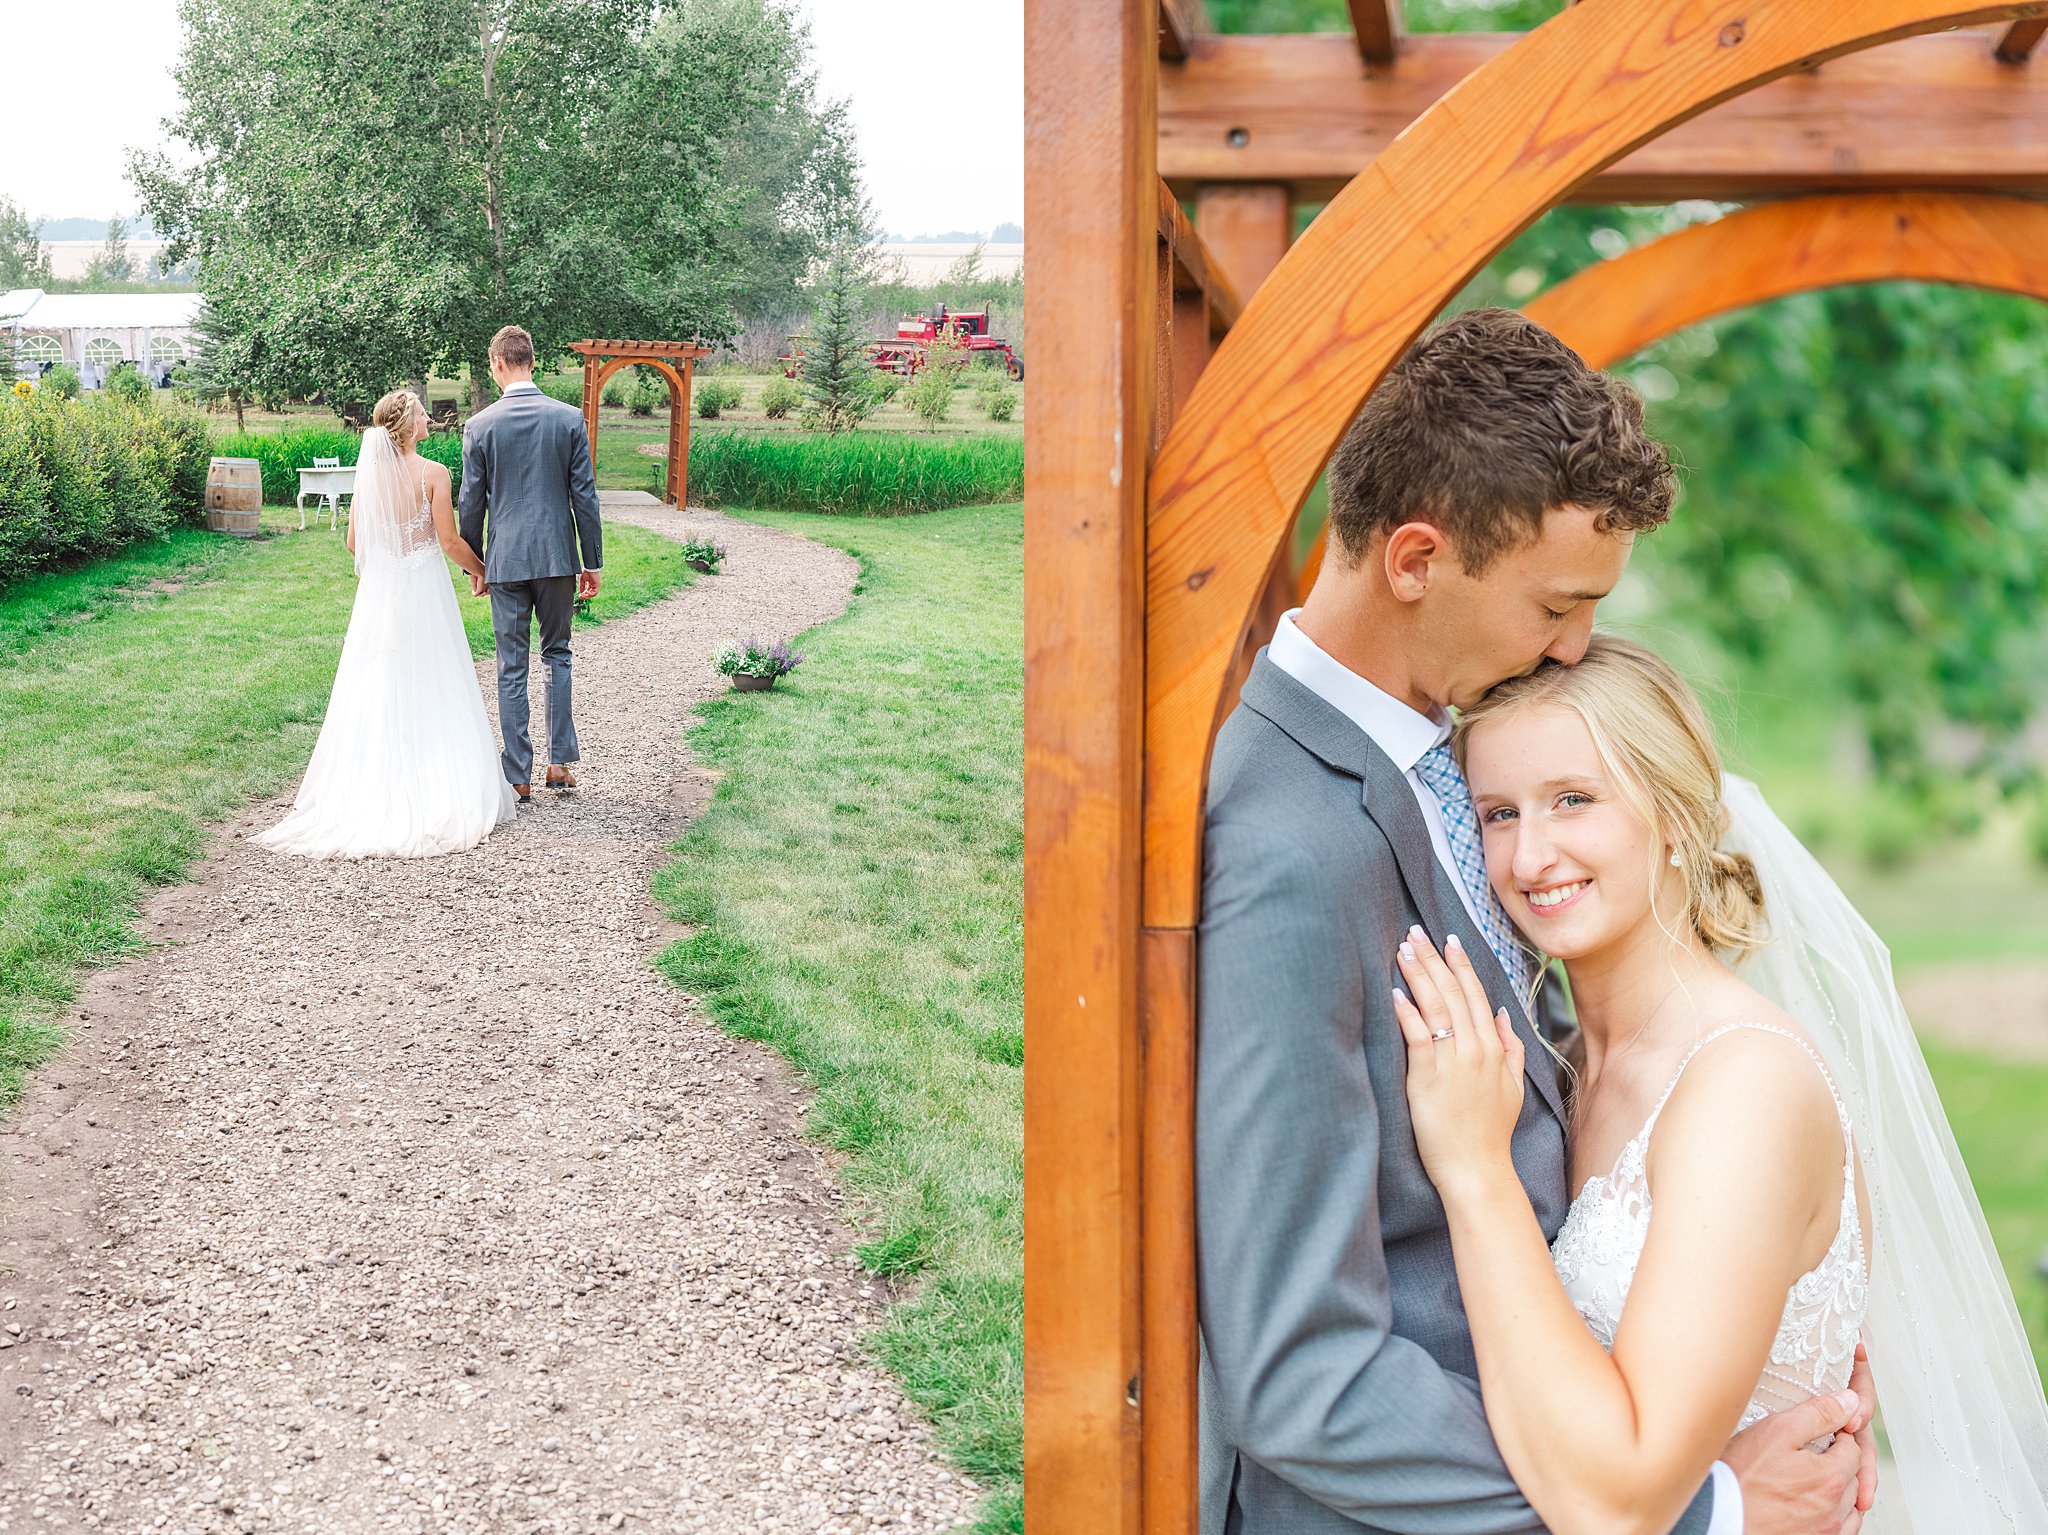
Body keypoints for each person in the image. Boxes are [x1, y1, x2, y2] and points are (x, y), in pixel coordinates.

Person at [1196, 308, 1873, 1535]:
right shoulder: (1286, 838)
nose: (1576, 647)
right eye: (1556, 604)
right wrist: (1698, 1507)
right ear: (1413, 558)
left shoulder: (1452, 752)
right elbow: (1301, 1368)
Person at [1392, 635, 2048, 1535]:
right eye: (1498, 813)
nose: (1531, 856)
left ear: (1676, 816)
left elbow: (1622, 1495)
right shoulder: (1560, 1063)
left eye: (1573, 800)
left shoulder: (1746, 1086)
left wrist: (1476, 1171)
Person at [256, 390, 516, 859]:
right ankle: (434, 777)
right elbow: (451, 542)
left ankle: (375, 779)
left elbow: (356, 542)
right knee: (433, 676)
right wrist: (483, 571)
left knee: (379, 679)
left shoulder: (369, 476)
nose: (427, 417)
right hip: (424, 590)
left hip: (383, 593)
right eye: (420, 411)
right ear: (405, 425)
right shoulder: (432, 473)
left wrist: (391, 561)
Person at [458, 323, 602, 803]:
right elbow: (585, 497)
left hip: (505, 561)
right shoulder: (568, 419)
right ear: (532, 362)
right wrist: (592, 561)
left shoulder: (479, 426)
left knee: (510, 665)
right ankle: (559, 764)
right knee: (557, 653)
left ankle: (517, 773)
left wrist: (475, 566)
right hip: (559, 556)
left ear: (498, 364)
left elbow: (471, 505)